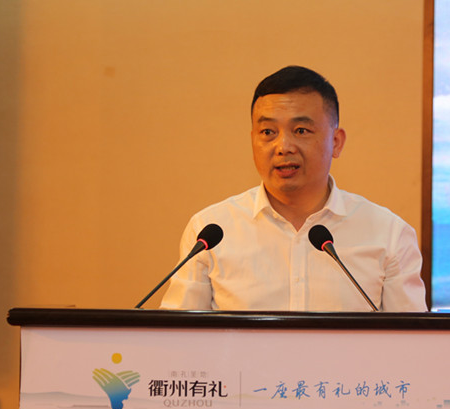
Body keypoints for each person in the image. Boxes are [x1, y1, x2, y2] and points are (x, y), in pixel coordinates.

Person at [160, 66, 427, 312]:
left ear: (336, 142)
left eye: (300, 130)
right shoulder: (210, 232)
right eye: (268, 132)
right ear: (253, 140)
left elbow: (412, 342)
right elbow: (177, 338)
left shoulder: (389, 235)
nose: (283, 147)